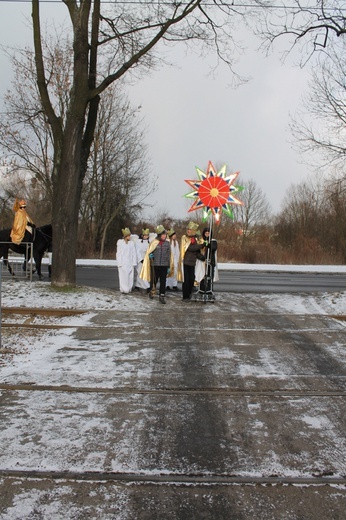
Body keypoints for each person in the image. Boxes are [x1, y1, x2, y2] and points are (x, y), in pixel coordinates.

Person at [140, 225, 173, 304]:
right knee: (154, 280)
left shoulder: (167, 244)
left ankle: (162, 296)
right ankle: (152, 291)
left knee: (163, 281)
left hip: (164, 265)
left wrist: (168, 266)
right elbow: (149, 251)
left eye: (165, 234)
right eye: (163, 234)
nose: (164, 236)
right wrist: (150, 255)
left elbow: (169, 256)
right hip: (155, 265)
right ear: (159, 235)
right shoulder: (154, 242)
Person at [178, 221, 205, 301]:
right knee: (186, 280)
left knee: (191, 279)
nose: (188, 231)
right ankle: (185, 296)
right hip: (186, 262)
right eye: (188, 229)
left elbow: (196, 251)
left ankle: (189, 294)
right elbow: (190, 248)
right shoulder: (184, 238)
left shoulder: (195, 239)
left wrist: (201, 256)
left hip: (192, 263)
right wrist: (201, 245)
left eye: (190, 229)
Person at [116, 227, 137, 294]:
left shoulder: (131, 243)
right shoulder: (120, 243)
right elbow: (119, 253)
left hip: (130, 263)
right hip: (123, 263)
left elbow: (134, 253)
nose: (129, 237)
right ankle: (123, 288)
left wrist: (134, 262)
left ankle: (129, 288)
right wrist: (120, 263)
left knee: (130, 277)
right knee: (123, 276)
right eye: (128, 235)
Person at [198, 226, 218, 293]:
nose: (207, 234)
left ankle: (209, 290)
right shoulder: (201, 241)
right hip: (202, 262)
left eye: (208, 233)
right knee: (202, 277)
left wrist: (208, 245)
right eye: (206, 233)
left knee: (209, 277)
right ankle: (201, 289)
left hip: (210, 262)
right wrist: (200, 256)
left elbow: (214, 248)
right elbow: (198, 251)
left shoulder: (213, 241)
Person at [134, 228, 150, 292]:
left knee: (143, 273)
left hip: (146, 259)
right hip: (140, 260)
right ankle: (147, 286)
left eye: (147, 235)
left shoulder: (149, 242)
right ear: (142, 235)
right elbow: (137, 251)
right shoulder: (138, 242)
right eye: (145, 235)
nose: (146, 236)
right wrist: (140, 259)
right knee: (140, 272)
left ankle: (137, 285)